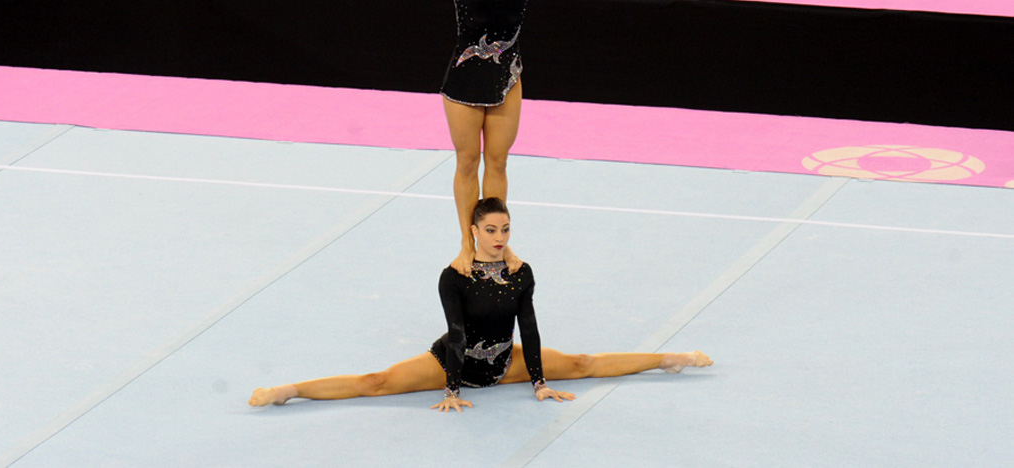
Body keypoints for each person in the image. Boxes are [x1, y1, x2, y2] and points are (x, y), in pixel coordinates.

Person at [248, 198, 712, 411]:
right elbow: (456, 334)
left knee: (581, 362)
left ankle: (670, 359)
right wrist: (451, 389)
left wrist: (538, 383)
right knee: (378, 382)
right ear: (473, 231)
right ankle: (291, 390)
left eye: (505, 229)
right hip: (455, 360)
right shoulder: (454, 277)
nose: (499, 238)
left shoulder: (521, 272)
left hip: (501, 361)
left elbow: (527, 328)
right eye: (490, 230)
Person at [442, 0, 527, 277]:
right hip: (466, 76)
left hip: (507, 75)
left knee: (497, 163)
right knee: (467, 163)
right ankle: (466, 244)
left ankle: (495, 245)